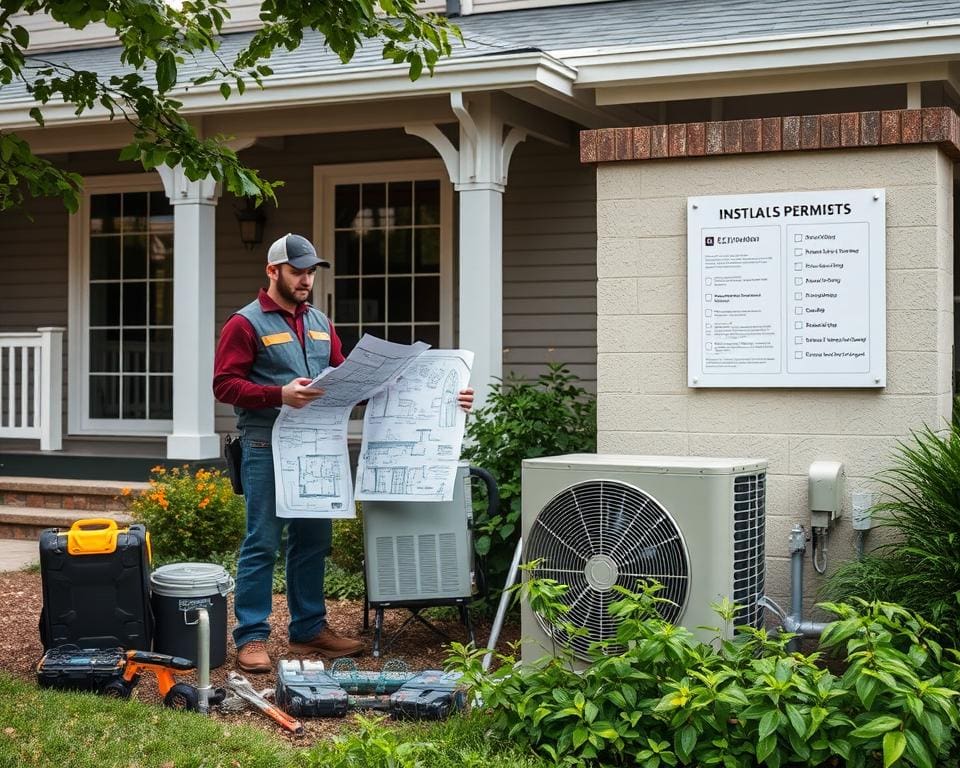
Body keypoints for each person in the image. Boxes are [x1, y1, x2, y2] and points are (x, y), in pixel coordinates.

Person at [213, 232, 474, 673]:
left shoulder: (320, 322)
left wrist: (445, 398)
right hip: (266, 444)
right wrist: (278, 394)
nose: (306, 280)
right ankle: (252, 637)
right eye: (298, 271)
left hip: (318, 447)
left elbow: (352, 384)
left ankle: (308, 630)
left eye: (311, 272)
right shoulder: (245, 323)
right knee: (262, 542)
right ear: (272, 271)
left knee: (314, 541)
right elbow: (224, 385)